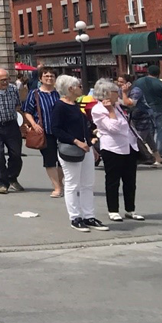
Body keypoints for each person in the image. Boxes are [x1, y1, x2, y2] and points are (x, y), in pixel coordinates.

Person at [52, 74, 107, 232]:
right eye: (79, 86)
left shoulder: (75, 104)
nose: (81, 88)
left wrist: (90, 145)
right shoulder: (60, 106)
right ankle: (75, 217)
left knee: (87, 184)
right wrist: (76, 141)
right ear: (70, 89)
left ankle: (88, 215)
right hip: (71, 148)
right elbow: (55, 129)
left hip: (85, 148)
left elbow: (85, 128)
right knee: (72, 183)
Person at [91, 78, 145, 223]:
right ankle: (113, 210)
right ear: (106, 94)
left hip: (129, 145)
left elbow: (129, 105)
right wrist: (110, 111)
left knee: (130, 180)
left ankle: (130, 209)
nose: (118, 94)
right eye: (116, 92)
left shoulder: (117, 105)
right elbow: (113, 128)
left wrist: (125, 93)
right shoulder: (98, 109)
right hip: (112, 147)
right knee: (113, 180)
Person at [22, 69, 63, 197]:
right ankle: (56, 187)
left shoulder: (60, 93)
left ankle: (61, 184)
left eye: (52, 76)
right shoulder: (35, 94)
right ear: (40, 79)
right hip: (45, 131)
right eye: (46, 76)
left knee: (63, 159)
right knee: (50, 160)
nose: (49, 78)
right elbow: (27, 111)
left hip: (62, 131)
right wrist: (34, 124)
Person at [134, 63, 162, 163]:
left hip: (143, 110)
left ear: (148, 72)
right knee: (161, 132)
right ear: (158, 73)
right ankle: (159, 154)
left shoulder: (138, 82)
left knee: (147, 133)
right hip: (159, 109)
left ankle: (145, 154)